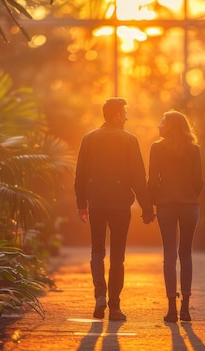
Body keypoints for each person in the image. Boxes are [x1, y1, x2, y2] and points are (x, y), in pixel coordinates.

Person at [74, 97, 155, 321]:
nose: (127, 117)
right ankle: (115, 307)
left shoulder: (89, 138)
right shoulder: (129, 140)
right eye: (125, 113)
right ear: (117, 115)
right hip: (120, 205)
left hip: (97, 202)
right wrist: (147, 209)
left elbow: (79, 175)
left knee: (97, 250)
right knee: (117, 256)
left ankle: (100, 295)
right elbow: (138, 177)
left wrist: (82, 204)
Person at [148, 110, 203, 323]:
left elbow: (152, 180)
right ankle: (186, 309)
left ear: (169, 125)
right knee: (186, 254)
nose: (159, 124)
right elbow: (199, 181)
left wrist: (155, 201)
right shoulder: (194, 149)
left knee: (169, 255)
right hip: (190, 206)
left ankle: (171, 308)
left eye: (162, 120)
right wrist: (189, 196)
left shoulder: (157, 148)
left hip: (166, 206)